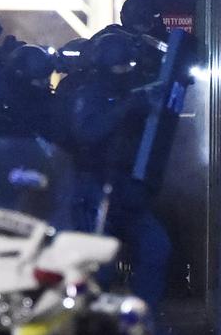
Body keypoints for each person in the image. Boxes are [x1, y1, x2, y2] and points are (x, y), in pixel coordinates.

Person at [70, 33, 172, 312]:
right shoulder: (89, 95)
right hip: (95, 191)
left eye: (129, 65)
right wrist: (127, 107)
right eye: (119, 66)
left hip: (128, 189)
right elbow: (88, 133)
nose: (125, 71)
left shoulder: (133, 92)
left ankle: (141, 317)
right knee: (99, 268)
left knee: (156, 247)